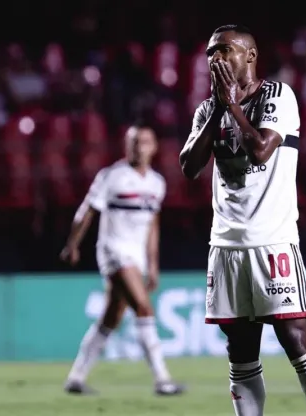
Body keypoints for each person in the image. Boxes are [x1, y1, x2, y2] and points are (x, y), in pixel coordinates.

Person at [179, 25, 306, 416]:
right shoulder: (206, 109)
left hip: (273, 240)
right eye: (211, 53)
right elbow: (189, 166)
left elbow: (261, 151)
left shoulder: (278, 96)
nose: (216, 59)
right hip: (227, 245)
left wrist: (232, 105)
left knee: (295, 337)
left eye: (225, 50)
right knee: (241, 350)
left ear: (250, 55)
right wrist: (219, 106)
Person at [60, 123, 185, 396]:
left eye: (145, 142)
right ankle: (162, 379)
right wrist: (73, 244)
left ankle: (76, 378)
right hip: (113, 251)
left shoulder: (156, 183)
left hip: (137, 255)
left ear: (154, 147)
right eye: (135, 142)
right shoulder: (112, 176)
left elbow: (153, 225)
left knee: (111, 317)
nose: (140, 147)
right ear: (127, 146)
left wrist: (152, 264)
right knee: (143, 306)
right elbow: (87, 211)